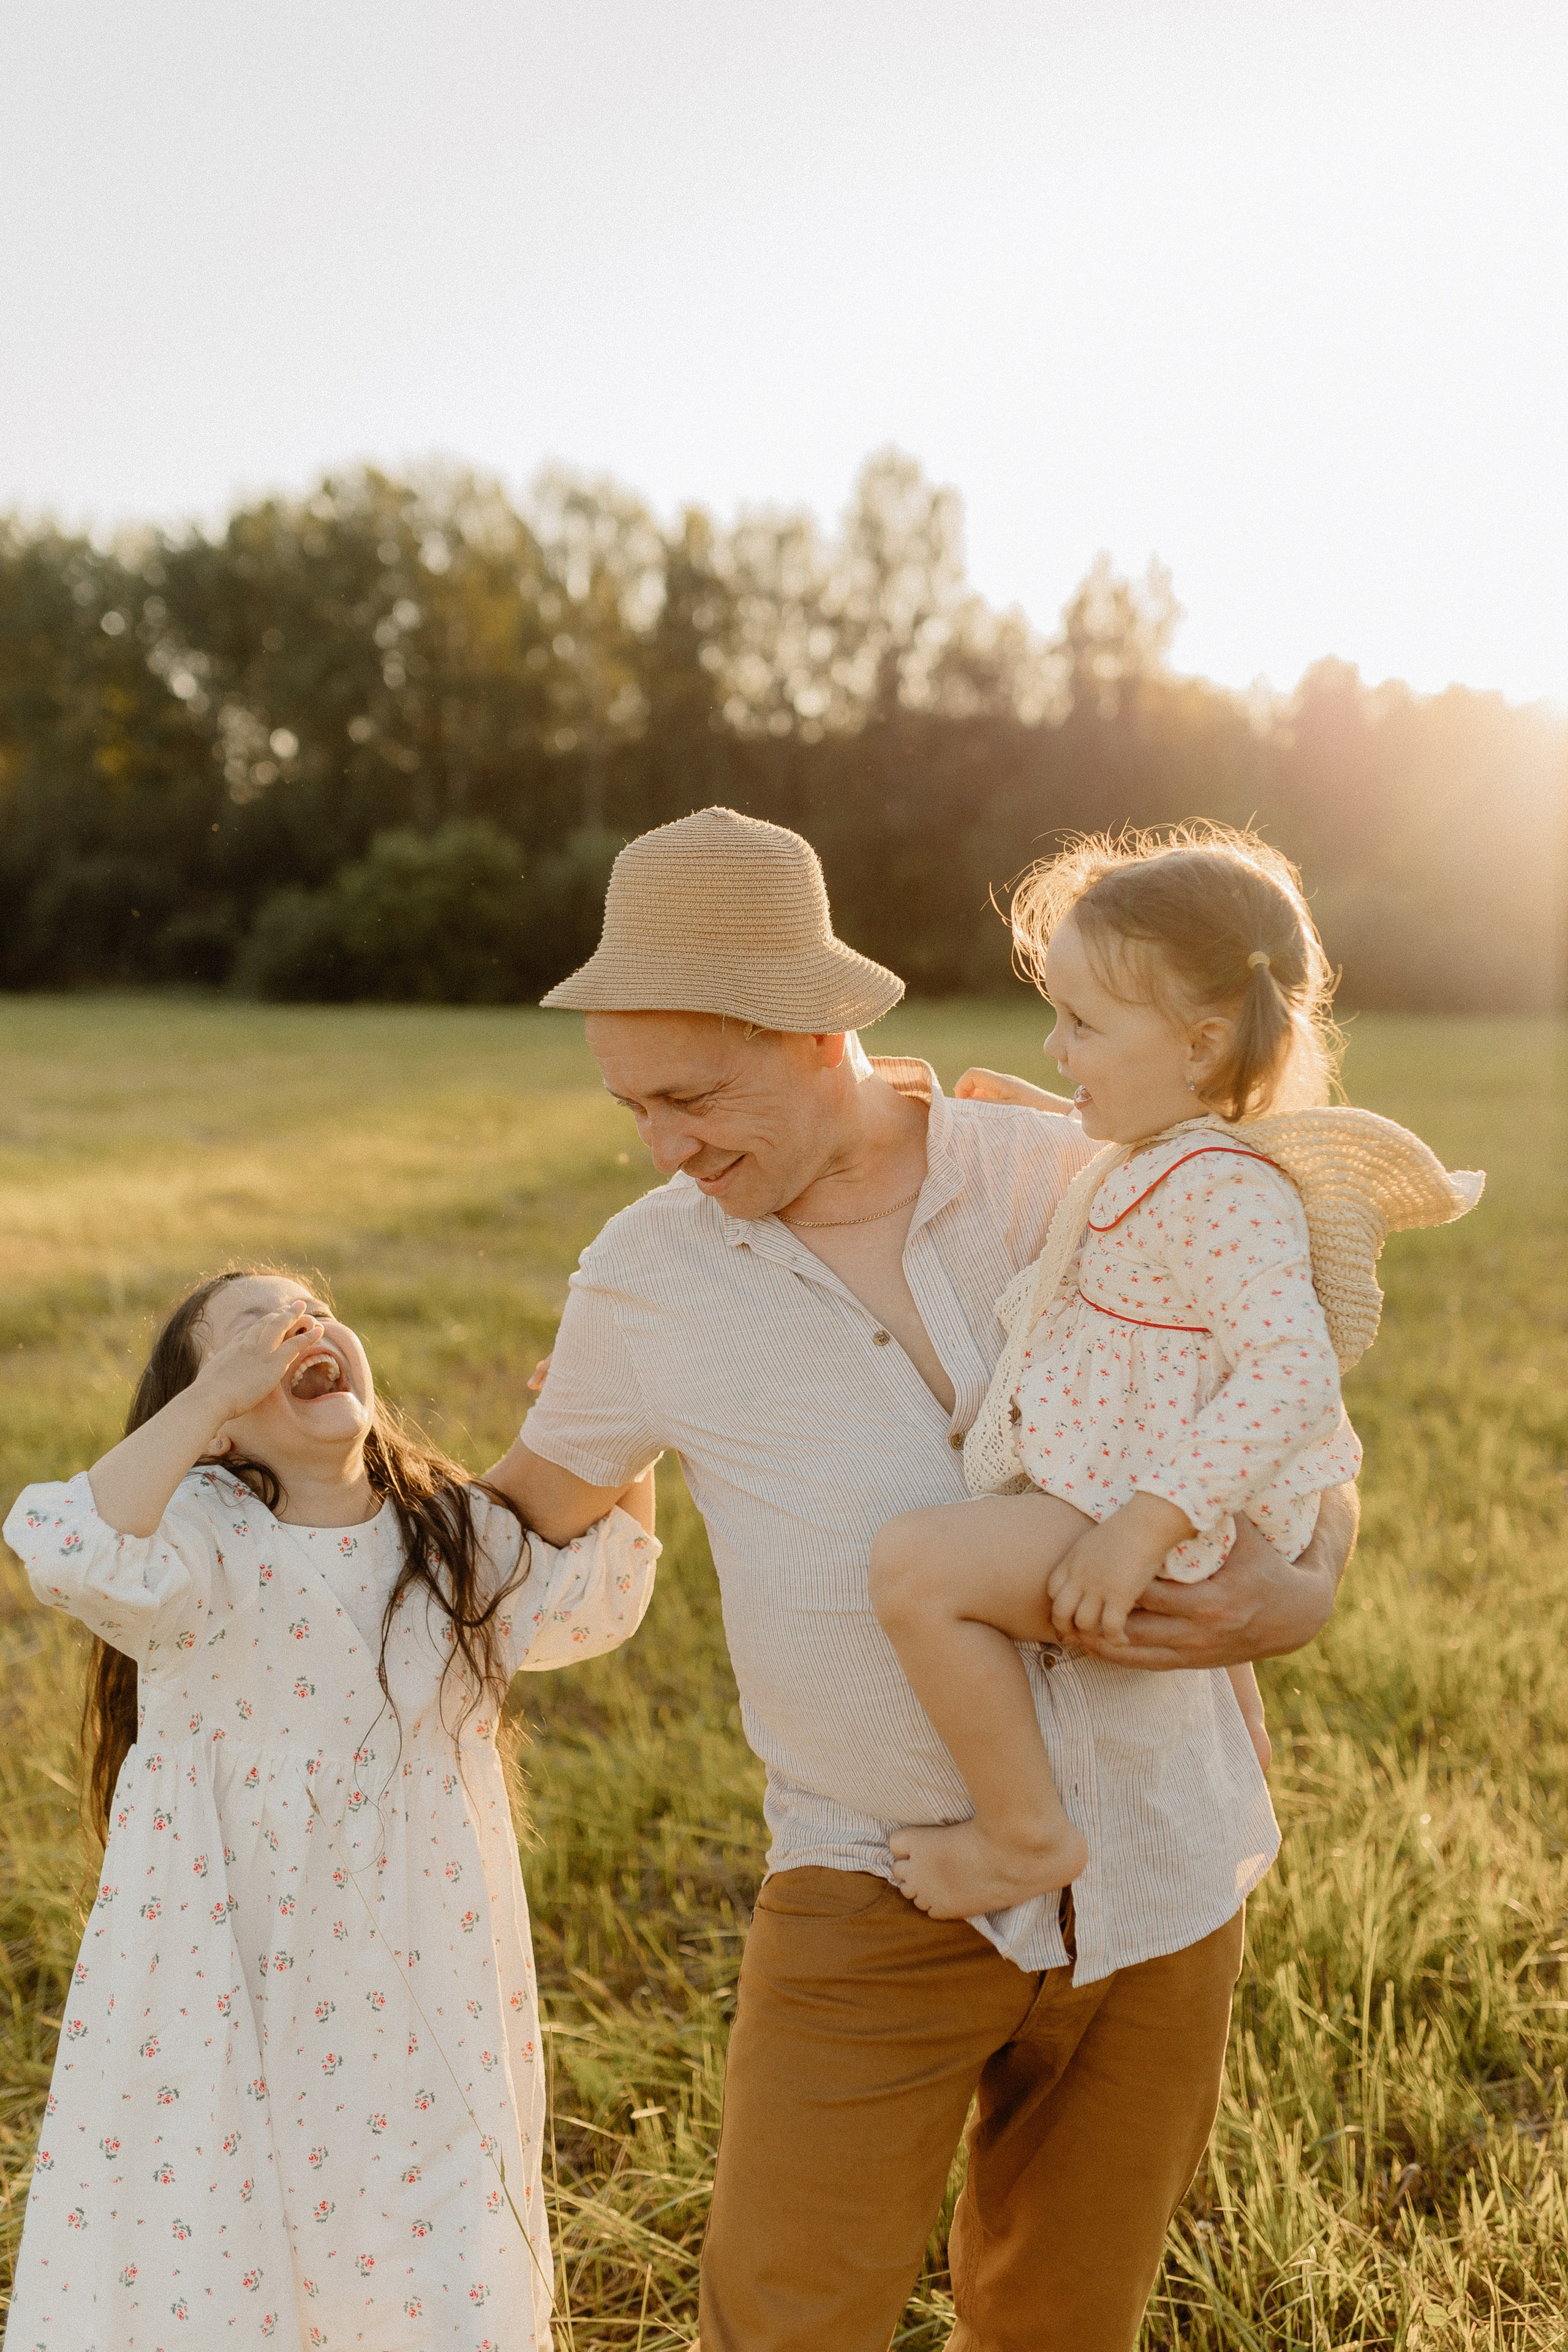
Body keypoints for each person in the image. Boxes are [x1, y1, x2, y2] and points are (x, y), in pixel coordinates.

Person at [488, 805, 1360, 2352]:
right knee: (786, 2318)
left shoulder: (1074, 1173)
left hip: (1159, 1859)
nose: (664, 1147)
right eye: (633, 1108)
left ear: (819, 1030)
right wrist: (272, 1470)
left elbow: (1294, 1402)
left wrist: (1306, 1587)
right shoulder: (646, 1276)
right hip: (876, 1880)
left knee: (1061, 2320)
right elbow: (506, 1529)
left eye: (690, 1095)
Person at [3, 1267, 658, 2352]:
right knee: (215, 2228)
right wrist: (210, 1399)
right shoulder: (196, 1540)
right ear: (206, 1424)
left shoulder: (448, 1534)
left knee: (430, 2234)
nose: (294, 1329)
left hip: (419, 1978)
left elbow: (594, 1599)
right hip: (228, 1970)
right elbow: (73, 1549)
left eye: (308, 1310)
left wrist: (624, 1446)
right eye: (248, 1335)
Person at [866, 826, 1482, 1925]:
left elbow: (1292, 1375)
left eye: (1083, 1026)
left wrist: (1141, 1527)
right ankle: (1231, 1766)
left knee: (919, 1569)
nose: (1057, 1047)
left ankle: (1023, 1832)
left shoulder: (1223, 1189)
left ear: (1198, 1047)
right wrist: (1029, 1107)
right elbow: (1117, 1165)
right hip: (1136, 1491)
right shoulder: (1174, 1149)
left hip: (1153, 1511)